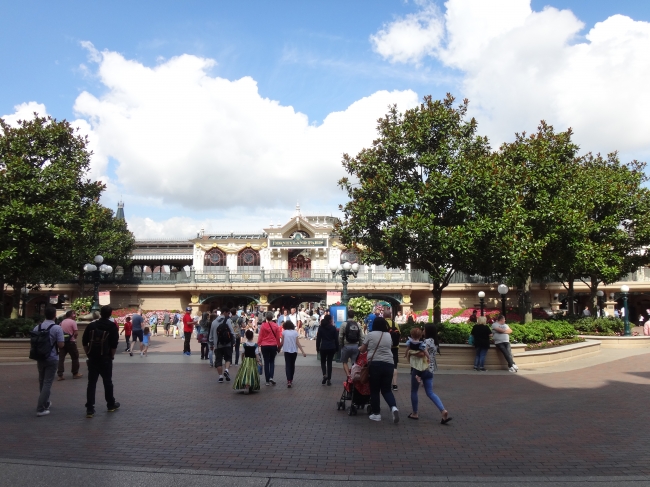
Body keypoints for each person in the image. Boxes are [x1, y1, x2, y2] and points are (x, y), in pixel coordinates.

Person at [405, 327, 451, 424]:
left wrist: (410, 352)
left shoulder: (425, 342)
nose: (423, 331)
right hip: (429, 369)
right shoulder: (434, 342)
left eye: (425, 329)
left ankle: (415, 413)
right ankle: (443, 410)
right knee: (430, 392)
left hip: (419, 369)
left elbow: (421, 354)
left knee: (414, 391)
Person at [358, 317, 399, 423]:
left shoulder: (370, 335)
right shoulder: (388, 335)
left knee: (375, 389)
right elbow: (389, 347)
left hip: (375, 364)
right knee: (386, 390)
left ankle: (376, 414)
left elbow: (363, 349)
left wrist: (359, 349)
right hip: (389, 364)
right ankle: (393, 407)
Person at [82, 305, 120, 418]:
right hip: (105, 358)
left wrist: (88, 353)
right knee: (107, 382)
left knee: (91, 383)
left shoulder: (91, 325)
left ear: (100, 313)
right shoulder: (112, 326)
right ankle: (110, 405)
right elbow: (114, 344)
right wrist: (111, 356)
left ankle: (90, 408)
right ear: (110, 314)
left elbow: (84, 341)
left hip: (93, 358)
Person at [32, 306, 65, 417]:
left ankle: (45, 402)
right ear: (55, 315)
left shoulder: (38, 327)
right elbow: (61, 345)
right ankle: (40, 408)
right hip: (52, 358)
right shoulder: (57, 328)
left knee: (42, 381)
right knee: (47, 383)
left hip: (40, 357)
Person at [210, 308, 235, 382]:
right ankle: (226, 370)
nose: (229, 315)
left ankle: (220, 376)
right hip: (227, 344)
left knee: (218, 360)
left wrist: (211, 344)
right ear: (225, 312)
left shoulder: (214, 322)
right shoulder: (228, 321)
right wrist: (234, 341)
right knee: (228, 358)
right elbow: (232, 332)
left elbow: (211, 335)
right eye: (228, 313)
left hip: (217, 345)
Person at [257, 311, 282, 386]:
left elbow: (260, 336)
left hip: (264, 345)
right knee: (272, 361)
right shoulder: (275, 325)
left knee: (266, 362)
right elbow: (278, 337)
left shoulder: (263, 325)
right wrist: (279, 346)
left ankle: (267, 380)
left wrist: (258, 345)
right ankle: (271, 376)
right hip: (273, 345)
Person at [57, 310, 82, 381]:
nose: (75, 315)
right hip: (71, 342)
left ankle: (60, 375)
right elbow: (76, 333)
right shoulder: (73, 322)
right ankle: (75, 373)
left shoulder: (62, 322)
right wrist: (74, 338)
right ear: (71, 315)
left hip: (63, 342)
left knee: (61, 358)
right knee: (75, 357)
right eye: (74, 314)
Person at [279, 320, 306, 387]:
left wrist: (278, 348)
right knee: (292, 365)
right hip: (294, 351)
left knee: (287, 365)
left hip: (287, 350)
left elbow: (282, 342)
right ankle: (291, 379)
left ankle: (288, 380)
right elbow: (297, 342)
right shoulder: (295, 332)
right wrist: (303, 351)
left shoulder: (284, 332)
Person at [339, 309, 363, 377]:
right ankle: (353, 375)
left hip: (346, 346)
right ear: (354, 316)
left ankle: (348, 375)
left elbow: (340, 336)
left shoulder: (344, 324)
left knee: (344, 362)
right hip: (356, 346)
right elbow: (361, 336)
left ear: (347, 315)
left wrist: (341, 344)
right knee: (354, 363)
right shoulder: (358, 324)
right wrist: (360, 345)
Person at [316, 314, 338, 386]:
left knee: (323, 362)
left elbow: (318, 339)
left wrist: (317, 347)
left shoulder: (321, 328)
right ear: (329, 320)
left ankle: (324, 374)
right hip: (331, 347)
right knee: (329, 363)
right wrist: (337, 348)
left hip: (323, 347)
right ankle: (329, 379)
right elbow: (336, 339)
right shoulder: (333, 328)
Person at [385, 311, 401, 391]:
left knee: (386, 364)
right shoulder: (396, 324)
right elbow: (399, 335)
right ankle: (395, 385)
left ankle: (386, 383)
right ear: (390, 316)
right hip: (395, 347)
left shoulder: (383, 323)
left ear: (384, 316)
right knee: (394, 366)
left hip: (386, 347)